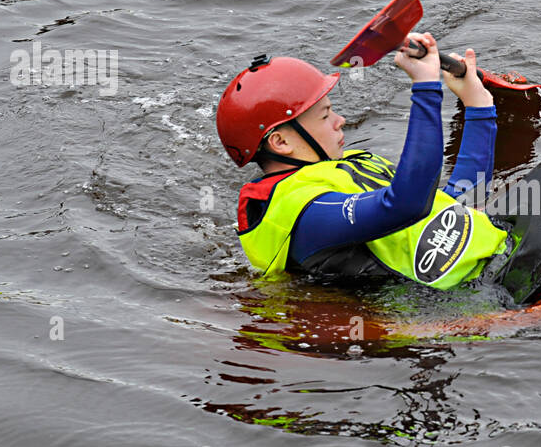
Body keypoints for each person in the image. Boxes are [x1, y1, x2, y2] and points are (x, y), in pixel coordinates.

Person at [215, 32, 516, 289]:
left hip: (505, 257)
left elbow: (457, 207)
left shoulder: (352, 164)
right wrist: (425, 87)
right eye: (325, 115)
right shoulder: (301, 214)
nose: (340, 120)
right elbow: (407, 204)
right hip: (481, 305)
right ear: (281, 142)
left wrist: (478, 106)